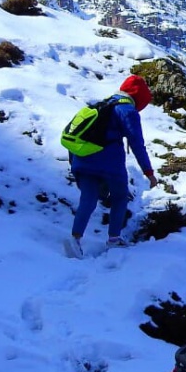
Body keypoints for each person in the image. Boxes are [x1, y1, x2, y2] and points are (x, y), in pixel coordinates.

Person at [66, 75, 158, 257]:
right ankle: (114, 239)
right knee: (119, 197)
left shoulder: (100, 106)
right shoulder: (127, 111)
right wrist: (149, 172)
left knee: (88, 198)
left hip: (82, 157)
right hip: (109, 163)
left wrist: (75, 162)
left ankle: (75, 239)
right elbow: (137, 143)